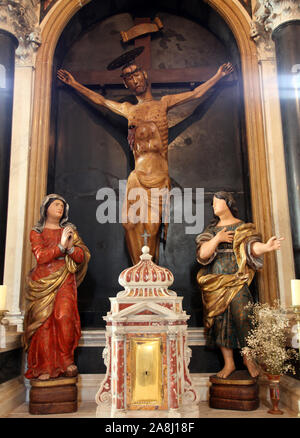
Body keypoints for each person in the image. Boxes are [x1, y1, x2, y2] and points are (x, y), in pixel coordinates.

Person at [57, 57, 234, 264]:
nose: (134, 79)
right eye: (128, 77)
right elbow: (101, 101)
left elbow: (195, 94)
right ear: (126, 84)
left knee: (152, 226)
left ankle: (150, 272)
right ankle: (136, 273)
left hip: (158, 177)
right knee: (128, 223)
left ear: (145, 74)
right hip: (137, 176)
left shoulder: (164, 103)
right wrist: (74, 84)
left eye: (136, 73)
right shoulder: (128, 109)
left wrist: (218, 76)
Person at [196, 191, 283, 378]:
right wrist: (217, 239)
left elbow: (251, 247)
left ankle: (248, 358)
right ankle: (229, 364)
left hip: (236, 279)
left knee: (243, 315)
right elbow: (203, 254)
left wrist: (266, 248)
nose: (213, 206)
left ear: (227, 203)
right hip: (215, 281)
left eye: (215, 202)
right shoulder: (211, 231)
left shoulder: (242, 227)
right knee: (219, 321)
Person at [23, 194, 90, 380]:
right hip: (42, 281)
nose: (59, 208)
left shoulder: (69, 231)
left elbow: (81, 256)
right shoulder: (36, 232)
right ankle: (44, 366)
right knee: (43, 322)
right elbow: (41, 257)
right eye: (56, 205)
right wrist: (60, 247)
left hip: (65, 280)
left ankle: (66, 361)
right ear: (46, 208)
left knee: (64, 317)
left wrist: (69, 249)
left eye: (62, 205)